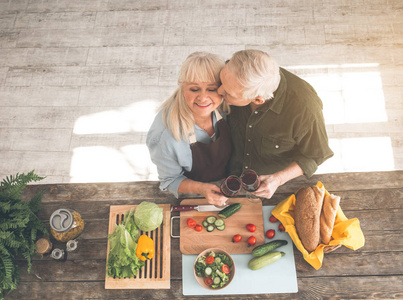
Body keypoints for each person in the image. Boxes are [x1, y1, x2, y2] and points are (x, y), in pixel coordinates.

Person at [217, 49, 334, 199]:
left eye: (228, 93)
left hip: (270, 188)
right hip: (224, 174)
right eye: (221, 82)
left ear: (258, 100)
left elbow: (316, 155)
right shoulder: (235, 73)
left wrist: (278, 179)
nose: (219, 91)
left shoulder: (305, 110)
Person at [147, 52, 230, 206]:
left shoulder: (230, 105)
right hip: (195, 195)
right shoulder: (164, 134)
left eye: (212, 89)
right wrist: (202, 188)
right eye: (194, 89)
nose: (203, 98)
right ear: (181, 86)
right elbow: (170, 180)